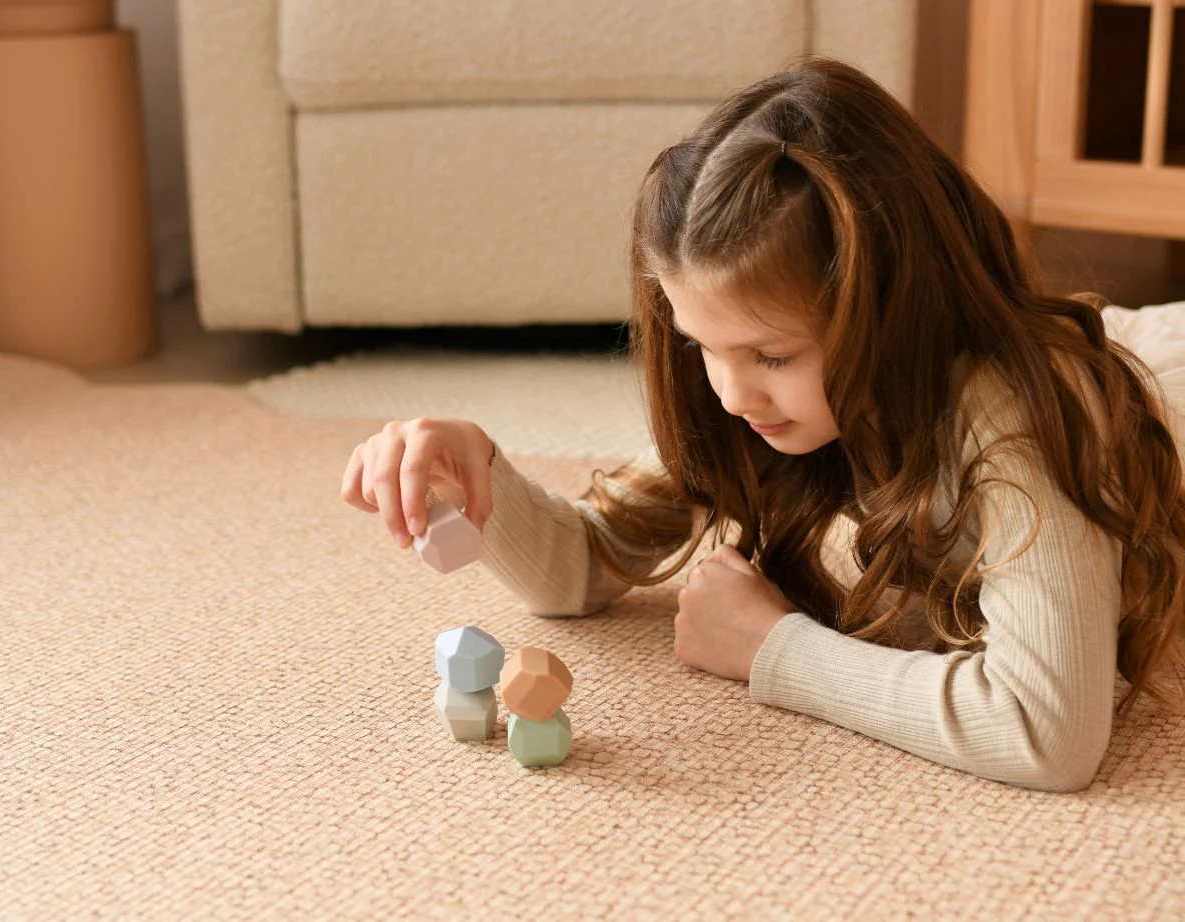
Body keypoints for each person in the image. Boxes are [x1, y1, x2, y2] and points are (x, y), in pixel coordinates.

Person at [341, 57, 1185, 792]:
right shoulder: (759, 399)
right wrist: (479, 469)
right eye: (701, 345)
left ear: (893, 316)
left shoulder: (1020, 415)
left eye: (772, 356)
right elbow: (583, 570)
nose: (731, 393)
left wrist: (774, 649)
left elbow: (1048, 733)